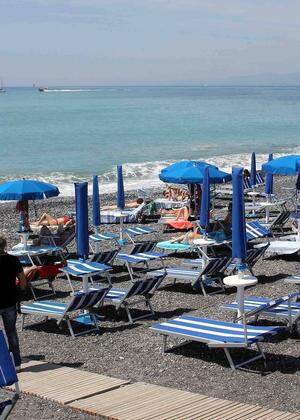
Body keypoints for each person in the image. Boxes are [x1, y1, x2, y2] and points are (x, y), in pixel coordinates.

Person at [0, 235, 26, 371]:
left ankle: (2, 363)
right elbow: (22, 279)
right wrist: (21, 292)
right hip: (10, 301)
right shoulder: (13, 260)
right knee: (11, 332)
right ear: (4, 246)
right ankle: (16, 363)